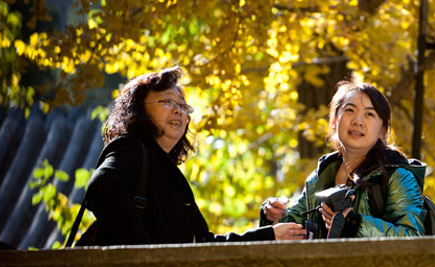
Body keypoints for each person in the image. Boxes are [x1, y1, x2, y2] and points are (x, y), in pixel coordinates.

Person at [83, 66, 305, 245]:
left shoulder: (168, 173)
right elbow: (102, 187)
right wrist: (146, 256)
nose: (179, 111)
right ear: (139, 109)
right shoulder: (130, 148)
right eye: (168, 102)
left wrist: (270, 235)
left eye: (183, 106)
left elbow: (203, 244)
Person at [261, 78, 426, 239]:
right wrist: (275, 215)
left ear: (382, 130)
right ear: (334, 120)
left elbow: (412, 237)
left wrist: (353, 224)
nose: (357, 121)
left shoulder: (397, 176)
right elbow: (296, 228)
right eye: (349, 110)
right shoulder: (319, 177)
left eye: (369, 114)